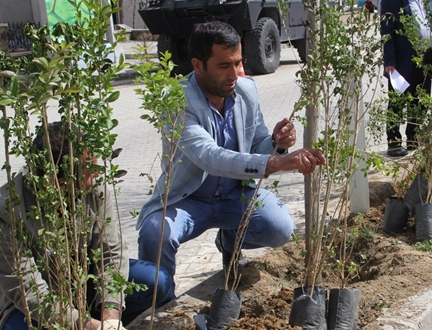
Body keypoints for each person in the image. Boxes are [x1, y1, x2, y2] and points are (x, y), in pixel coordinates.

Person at [0, 122, 174, 330]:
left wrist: (111, 321)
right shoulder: (2, 212)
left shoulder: (94, 188)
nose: (97, 174)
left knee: (157, 282)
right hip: (21, 307)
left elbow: (112, 254)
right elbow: (30, 294)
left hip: (81, 284)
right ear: (59, 181)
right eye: (88, 169)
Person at [136, 22, 326, 288]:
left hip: (235, 195)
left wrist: (276, 143)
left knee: (280, 227)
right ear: (198, 65)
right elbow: (209, 157)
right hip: (189, 200)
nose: (234, 73)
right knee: (155, 233)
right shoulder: (178, 100)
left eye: (237, 63)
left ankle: (229, 241)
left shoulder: (245, 90)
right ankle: (159, 301)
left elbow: (257, 143)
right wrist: (278, 162)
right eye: (224, 66)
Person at [380, 0, 432, 157]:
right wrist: (389, 61)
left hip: (426, 61)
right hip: (402, 62)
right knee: (397, 103)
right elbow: (387, 32)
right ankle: (394, 143)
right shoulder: (391, 0)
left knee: (421, 101)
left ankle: (414, 139)